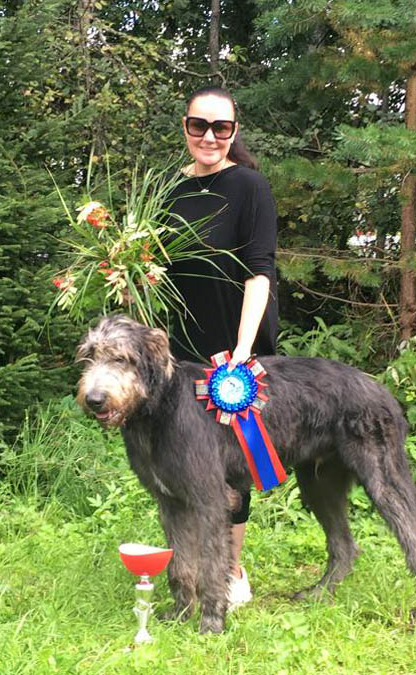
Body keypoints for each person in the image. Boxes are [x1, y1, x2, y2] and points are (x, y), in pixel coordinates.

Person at [166, 86, 279, 610]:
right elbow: (159, 272)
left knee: (232, 467)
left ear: (234, 132)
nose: (209, 136)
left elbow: (260, 271)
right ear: (185, 126)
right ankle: (188, 567)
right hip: (181, 348)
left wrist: (242, 349)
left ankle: (231, 571)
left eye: (221, 128)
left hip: (234, 350)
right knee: (183, 458)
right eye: (199, 125)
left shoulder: (250, 186)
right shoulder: (168, 190)